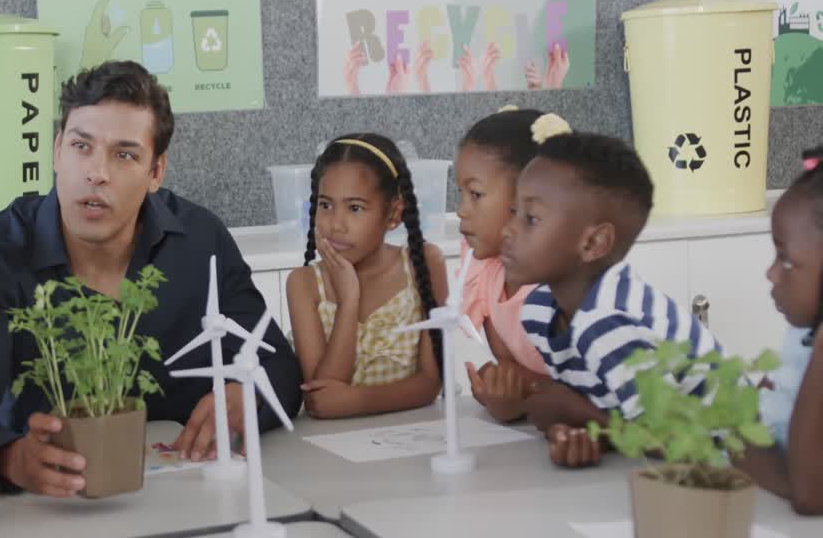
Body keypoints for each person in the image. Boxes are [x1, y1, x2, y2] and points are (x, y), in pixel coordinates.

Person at [0, 60, 302, 495]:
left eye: (124, 155)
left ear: (155, 172)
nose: (96, 172)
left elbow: (278, 364)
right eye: (81, 146)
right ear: (56, 152)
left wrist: (249, 396)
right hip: (54, 506)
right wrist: (11, 457)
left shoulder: (200, 239)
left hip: (193, 494)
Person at [502, 132, 720, 468]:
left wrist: (576, 413)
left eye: (531, 219)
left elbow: (684, 443)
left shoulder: (608, 321)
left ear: (593, 243)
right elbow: (607, 406)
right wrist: (574, 430)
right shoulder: (540, 309)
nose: (508, 230)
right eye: (514, 211)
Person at [285, 134, 448, 418]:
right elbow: (321, 398)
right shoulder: (304, 284)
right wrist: (349, 300)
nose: (336, 224)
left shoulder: (425, 264)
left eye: (355, 208)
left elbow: (430, 383)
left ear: (394, 213)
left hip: (413, 439)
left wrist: (356, 402)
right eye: (325, 205)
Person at [455, 108, 566, 422]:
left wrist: (521, 401)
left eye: (475, 194)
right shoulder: (486, 271)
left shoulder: (564, 286)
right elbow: (513, 372)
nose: (461, 211)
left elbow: (590, 391)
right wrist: (502, 390)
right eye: (460, 193)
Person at [737, 147, 823, 514]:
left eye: (786, 260)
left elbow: (808, 494)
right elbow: (749, 418)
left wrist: (741, 448)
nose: (771, 274)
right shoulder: (800, 338)